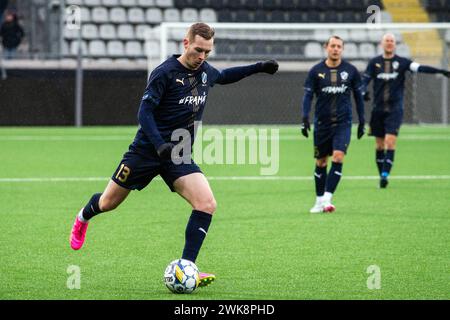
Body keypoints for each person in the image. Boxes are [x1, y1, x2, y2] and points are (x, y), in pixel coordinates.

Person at [69, 22, 279, 288]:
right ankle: (82, 217)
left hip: (179, 154)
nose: (202, 57)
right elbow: (143, 114)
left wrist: (259, 67)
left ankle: (187, 267)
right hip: (146, 151)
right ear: (186, 43)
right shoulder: (164, 73)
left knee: (206, 203)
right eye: (198, 50)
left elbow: (224, 76)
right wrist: (158, 144)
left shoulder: (204, 72)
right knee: (108, 203)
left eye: (207, 53)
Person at [361, 33, 450, 188]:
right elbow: (364, 80)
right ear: (382, 44)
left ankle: (385, 175)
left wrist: (441, 71)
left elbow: (420, 67)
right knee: (379, 145)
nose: (389, 43)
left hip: (395, 109)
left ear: (395, 45)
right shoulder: (374, 63)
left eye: (392, 41)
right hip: (378, 110)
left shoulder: (402, 62)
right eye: (386, 41)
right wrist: (363, 91)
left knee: (390, 141)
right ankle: (381, 174)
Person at [301, 35, 365, 213]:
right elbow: (307, 96)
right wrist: (304, 118)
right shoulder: (316, 71)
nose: (336, 49)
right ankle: (319, 199)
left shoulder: (351, 71)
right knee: (321, 162)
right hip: (322, 124)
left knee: (338, 156)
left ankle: (327, 198)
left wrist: (362, 121)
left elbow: (359, 98)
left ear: (342, 49)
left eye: (339, 46)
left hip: (343, 123)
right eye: (333, 46)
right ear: (326, 47)